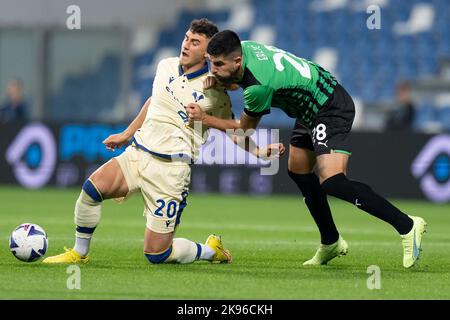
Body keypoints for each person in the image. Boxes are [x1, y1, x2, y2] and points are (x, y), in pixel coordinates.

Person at [43, 20, 283, 265]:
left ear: (207, 53)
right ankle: (79, 253)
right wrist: (127, 134)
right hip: (139, 154)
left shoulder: (215, 94)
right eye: (186, 38)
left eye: (195, 42)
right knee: (91, 190)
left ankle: (211, 250)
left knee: (157, 254)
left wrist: (260, 152)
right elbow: (154, 100)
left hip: (171, 171)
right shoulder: (165, 65)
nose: (186, 45)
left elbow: (234, 131)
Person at [186, 30, 427, 268]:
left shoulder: (258, 87)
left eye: (217, 64)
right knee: (298, 170)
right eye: (210, 63)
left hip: (329, 106)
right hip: (309, 105)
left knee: (332, 181)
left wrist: (205, 119)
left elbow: (243, 130)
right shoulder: (244, 48)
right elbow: (237, 78)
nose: (212, 69)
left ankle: (407, 225)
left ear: (236, 60)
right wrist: (220, 80)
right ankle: (331, 241)